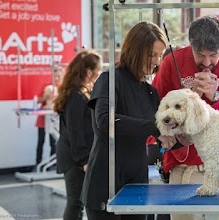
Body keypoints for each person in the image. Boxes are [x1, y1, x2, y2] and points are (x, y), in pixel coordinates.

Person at [152, 15, 219, 220]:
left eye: (213, 55)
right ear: (190, 45)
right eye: (200, 55)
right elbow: (156, 111)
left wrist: (217, 97)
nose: (207, 62)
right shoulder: (171, 62)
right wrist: (185, 98)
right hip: (180, 166)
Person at [81, 21, 176, 220]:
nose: (156, 61)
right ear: (135, 49)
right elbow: (105, 123)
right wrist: (155, 127)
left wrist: (182, 136)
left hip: (137, 185)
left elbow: (161, 137)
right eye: (152, 55)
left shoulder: (150, 91)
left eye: (160, 55)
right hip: (105, 184)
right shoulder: (109, 80)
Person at [53, 50, 102, 220]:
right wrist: (84, 160)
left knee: (78, 202)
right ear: (89, 71)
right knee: (75, 202)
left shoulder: (81, 92)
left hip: (77, 155)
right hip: (75, 158)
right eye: (98, 70)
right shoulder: (75, 95)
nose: (99, 74)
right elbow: (75, 132)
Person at [35, 66, 64, 167]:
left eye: (59, 76)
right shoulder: (48, 87)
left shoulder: (63, 88)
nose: (56, 78)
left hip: (55, 120)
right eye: (55, 76)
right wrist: (45, 97)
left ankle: (53, 165)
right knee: (41, 141)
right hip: (43, 118)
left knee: (54, 142)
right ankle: (38, 163)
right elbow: (38, 100)